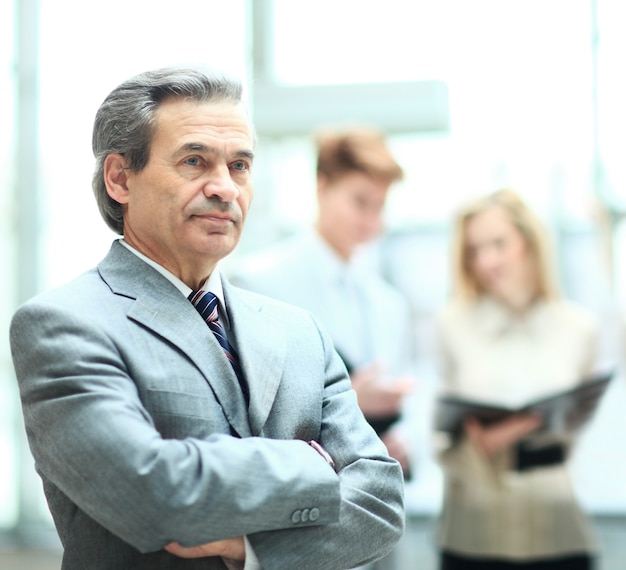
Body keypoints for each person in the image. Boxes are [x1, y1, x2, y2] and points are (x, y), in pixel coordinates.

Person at [9, 67, 405, 570]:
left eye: (239, 166)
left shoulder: (300, 331)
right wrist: (315, 463)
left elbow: (382, 503)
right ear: (119, 178)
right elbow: (152, 495)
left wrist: (250, 549)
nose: (224, 188)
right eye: (194, 161)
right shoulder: (63, 325)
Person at [229, 128, 417, 570]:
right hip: (298, 521)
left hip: (373, 513)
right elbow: (244, 412)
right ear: (322, 187)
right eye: (360, 201)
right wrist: (352, 401)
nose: (371, 219)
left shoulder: (389, 303)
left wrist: (403, 443)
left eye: (380, 206)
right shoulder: (258, 283)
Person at [434, 188, 601, 570]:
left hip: (556, 529)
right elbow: (441, 438)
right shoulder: (452, 323)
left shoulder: (578, 328)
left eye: (498, 244)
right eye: (475, 250)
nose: (487, 260)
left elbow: (574, 431)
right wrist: (494, 438)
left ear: (529, 242)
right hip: (473, 534)